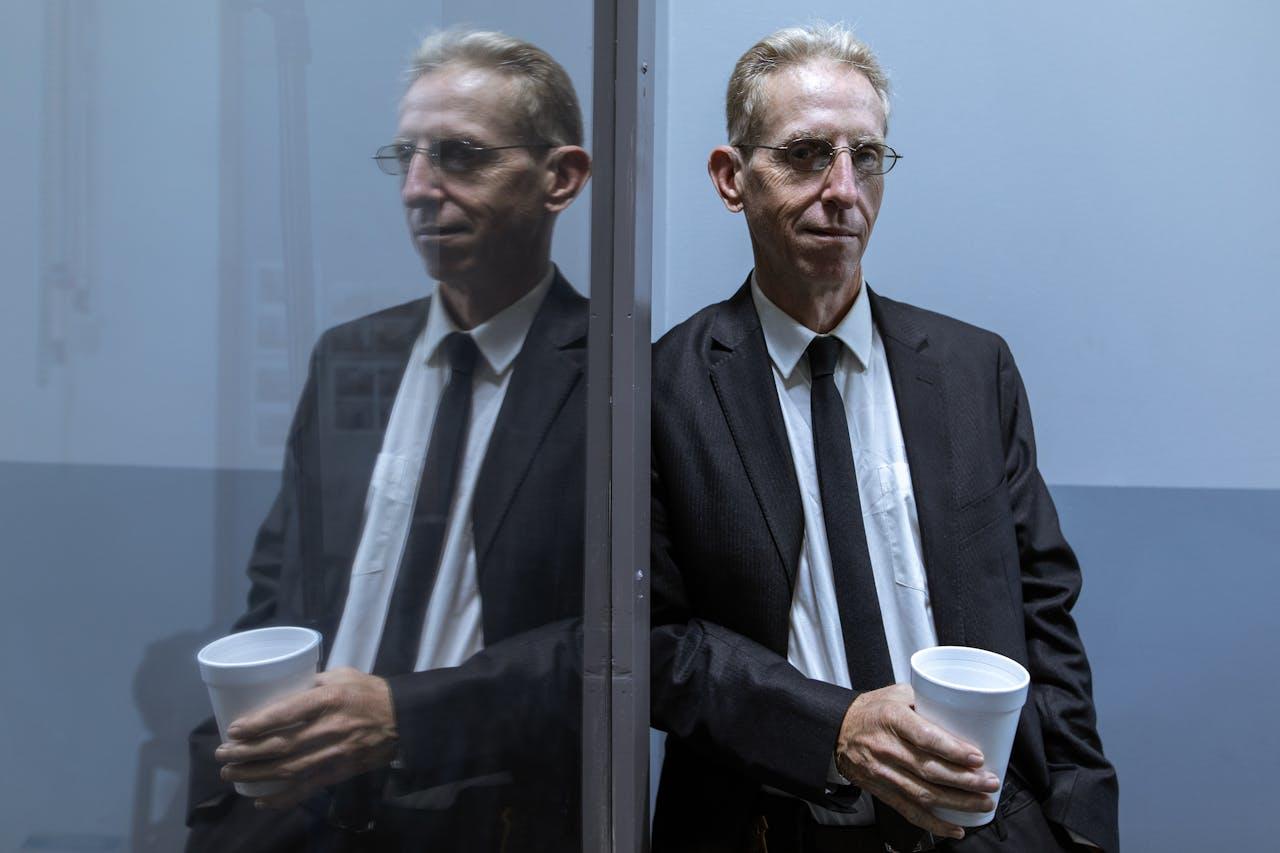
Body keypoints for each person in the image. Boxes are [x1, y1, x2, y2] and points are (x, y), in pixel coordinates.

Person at [649, 24, 1119, 853]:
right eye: (804, 154)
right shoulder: (661, 387)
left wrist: (1079, 830)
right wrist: (836, 728)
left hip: (986, 828)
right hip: (774, 822)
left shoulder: (975, 370)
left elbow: (1048, 622)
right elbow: (652, 642)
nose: (843, 189)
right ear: (731, 178)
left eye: (865, 157)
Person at [185, 29, 592, 852]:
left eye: (460, 156)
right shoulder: (350, 355)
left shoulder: (622, 376)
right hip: (296, 815)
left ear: (561, 178)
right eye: (404, 156)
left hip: (486, 816)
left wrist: (405, 716)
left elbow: (625, 648)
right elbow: (279, 588)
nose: (417, 188)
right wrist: (224, 788)